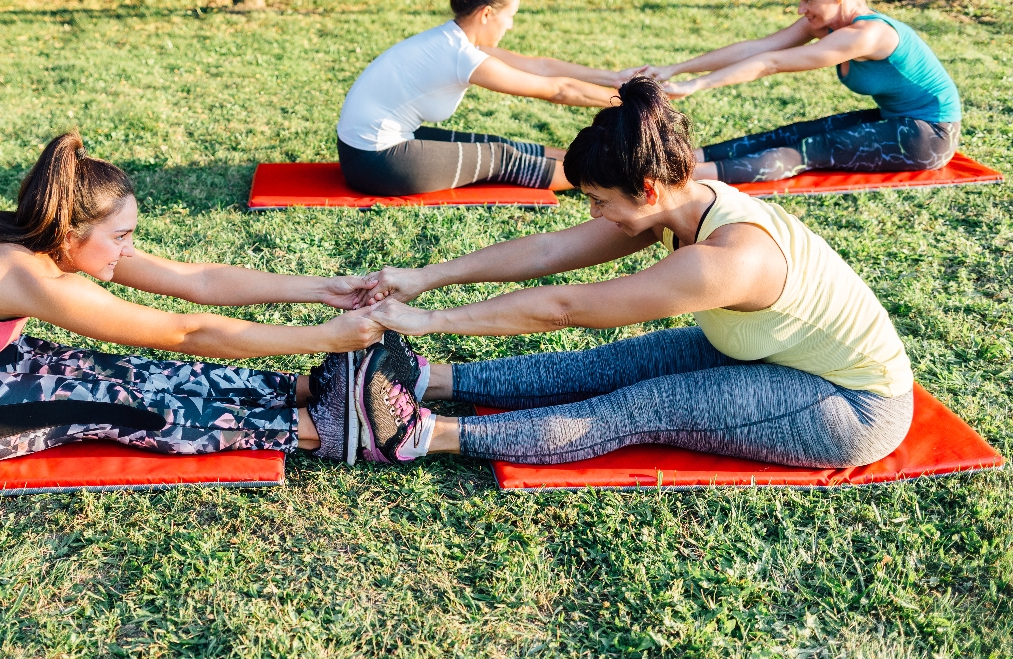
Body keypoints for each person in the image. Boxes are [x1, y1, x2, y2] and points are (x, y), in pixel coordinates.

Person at [351, 78, 913, 469]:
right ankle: (433, 382)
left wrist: (427, 319)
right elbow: (549, 253)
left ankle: (424, 435)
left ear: (646, 188)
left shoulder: (727, 258)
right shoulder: (678, 203)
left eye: (597, 200)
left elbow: (564, 308)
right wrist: (424, 276)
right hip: (773, 351)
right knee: (618, 362)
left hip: (853, 407)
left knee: (642, 406)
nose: (593, 214)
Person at [0, 132, 382, 472]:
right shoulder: (23, 274)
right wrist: (323, 336)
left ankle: (307, 387)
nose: (130, 249)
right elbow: (185, 330)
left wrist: (320, 289)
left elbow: (198, 282)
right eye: (120, 238)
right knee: (106, 398)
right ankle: (317, 425)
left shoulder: (38, 233)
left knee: (127, 368)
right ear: (72, 231)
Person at [633, 0, 961, 184]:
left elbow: (772, 63)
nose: (801, 10)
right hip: (896, 120)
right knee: (791, 133)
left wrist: (696, 85)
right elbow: (759, 48)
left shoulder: (866, 35)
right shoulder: (828, 21)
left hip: (929, 136)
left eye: (808, 0)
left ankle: (667, 177)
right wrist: (677, 69)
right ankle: (678, 159)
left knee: (808, 150)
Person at [336, 0, 627, 196]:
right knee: (501, 156)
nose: (510, 26)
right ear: (487, 14)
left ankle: (597, 164)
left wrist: (616, 79)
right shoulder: (461, 56)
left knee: (497, 143)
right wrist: (627, 102)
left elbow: (540, 67)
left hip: (365, 150)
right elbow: (558, 90)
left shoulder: (453, 40)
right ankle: (611, 171)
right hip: (375, 162)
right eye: (510, 16)